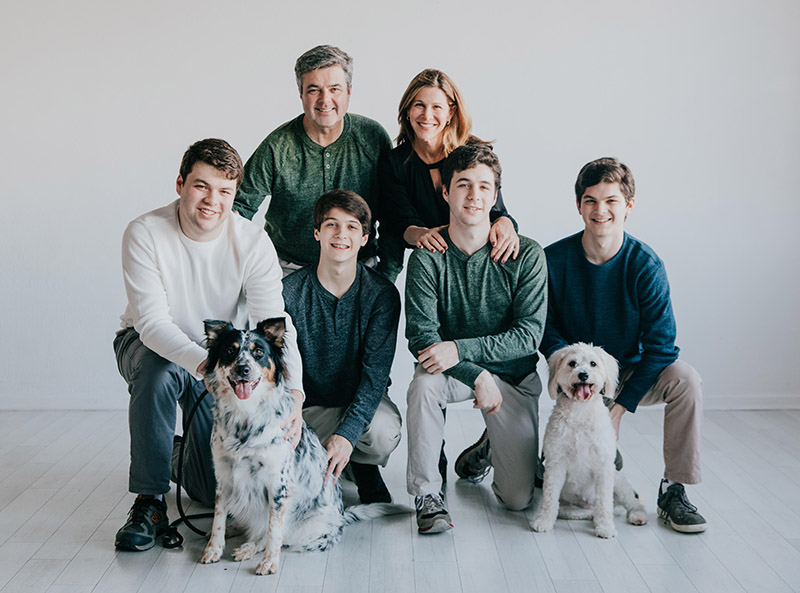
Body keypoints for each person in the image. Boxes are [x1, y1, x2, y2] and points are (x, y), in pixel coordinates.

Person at [114, 139, 305, 551]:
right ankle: (148, 501)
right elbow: (151, 324)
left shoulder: (253, 242)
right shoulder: (144, 232)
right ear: (181, 183)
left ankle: (167, 450)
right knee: (159, 371)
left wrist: (295, 392)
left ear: (235, 195)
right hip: (153, 347)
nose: (212, 200)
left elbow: (276, 323)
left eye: (225, 191)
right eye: (201, 186)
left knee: (206, 488)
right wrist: (208, 367)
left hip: (222, 360)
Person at [540, 157, 707, 533]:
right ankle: (511, 445)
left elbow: (662, 346)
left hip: (629, 370)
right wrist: (568, 373)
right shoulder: (554, 260)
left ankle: (673, 489)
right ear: (579, 205)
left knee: (687, 380)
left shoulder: (646, 266)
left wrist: (619, 405)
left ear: (628, 206)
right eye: (591, 200)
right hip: (572, 367)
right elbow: (544, 328)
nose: (600, 210)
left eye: (611, 200)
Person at [404, 144, 547, 533]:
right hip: (454, 371)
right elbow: (421, 335)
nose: (474, 195)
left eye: (484, 186)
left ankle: (488, 447)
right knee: (423, 386)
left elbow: (528, 337)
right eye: (463, 184)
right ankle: (428, 495)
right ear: (446, 193)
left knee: (517, 500)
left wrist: (460, 349)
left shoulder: (527, 254)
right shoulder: (427, 257)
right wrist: (476, 374)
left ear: (496, 196)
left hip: (512, 375)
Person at [282, 190, 402, 503]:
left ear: (364, 238)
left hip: (361, 403)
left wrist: (348, 435)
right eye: (332, 225)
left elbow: (375, 377)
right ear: (317, 233)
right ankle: (331, 463)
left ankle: (362, 466)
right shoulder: (288, 292)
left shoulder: (382, 295)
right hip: (308, 406)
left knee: (382, 432)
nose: (341, 234)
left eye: (351, 227)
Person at [233, 45, 392, 276]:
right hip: (290, 268)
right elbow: (240, 207)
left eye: (334, 89)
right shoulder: (277, 146)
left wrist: (387, 275)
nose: (325, 100)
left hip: (359, 269)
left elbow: (392, 211)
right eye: (314, 90)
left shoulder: (372, 137)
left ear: (349, 90)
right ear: (300, 94)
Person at [378, 69, 519, 281]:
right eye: (419, 105)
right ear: (408, 109)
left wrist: (506, 223)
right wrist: (421, 234)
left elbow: (496, 211)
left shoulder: (475, 153)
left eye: (436, 107)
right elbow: (398, 224)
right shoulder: (394, 162)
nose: (427, 115)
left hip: (475, 252)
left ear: (450, 113)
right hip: (428, 255)